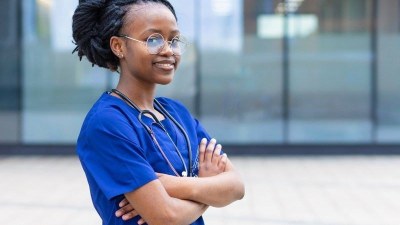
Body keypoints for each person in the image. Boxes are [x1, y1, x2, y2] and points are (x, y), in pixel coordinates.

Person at [72, 0, 245, 224]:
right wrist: (207, 188)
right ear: (118, 46)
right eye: (153, 39)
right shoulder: (107, 123)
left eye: (173, 40)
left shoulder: (177, 114)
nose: (168, 50)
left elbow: (237, 187)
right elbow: (166, 216)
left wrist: (171, 185)